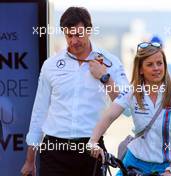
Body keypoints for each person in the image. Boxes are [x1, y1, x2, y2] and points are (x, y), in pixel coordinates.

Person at [21, 6, 128, 176]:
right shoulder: (51, 65)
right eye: (68, 35)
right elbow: (39, 111)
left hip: (91, 149)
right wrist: (29, 160)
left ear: (89, 30)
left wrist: (105, 78)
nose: (73, 41)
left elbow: (127, 107)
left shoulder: (109, 62)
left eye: (78, 34)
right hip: (54, 150)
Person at [89, 42, 171, 176]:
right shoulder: (133, 91)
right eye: (150, 64)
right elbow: (110, 115)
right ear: (140, 69)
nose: (156, 68)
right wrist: (93, 141)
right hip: (133, 164)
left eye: (159, 63)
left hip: (166, 168)